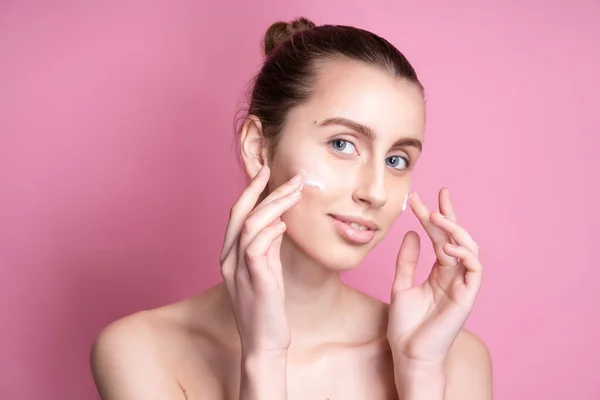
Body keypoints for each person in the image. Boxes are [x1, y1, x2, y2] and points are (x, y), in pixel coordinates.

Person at [90, 17, 493, 400]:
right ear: (258, 148)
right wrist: (263, 357)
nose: (376, 192)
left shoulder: (451, 357)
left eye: (396, 160)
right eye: (342, 144)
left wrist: (420, 373)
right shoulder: (142, 350)